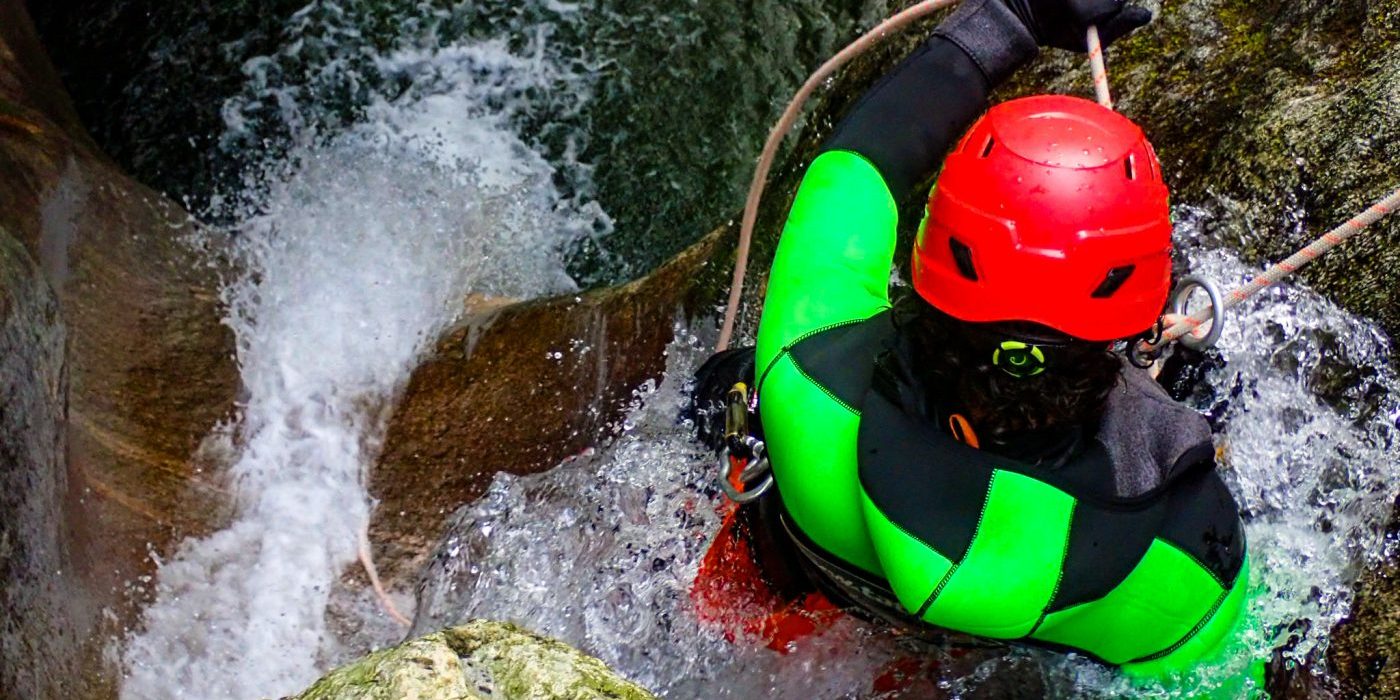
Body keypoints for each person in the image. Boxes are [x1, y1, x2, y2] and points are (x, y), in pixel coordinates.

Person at [690, 0, 1248, 678]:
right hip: (977, 670)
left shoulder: (808, 369)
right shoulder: (1188, 555)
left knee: (727, 383)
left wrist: (1016, 17)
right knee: (1217, 393)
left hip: (791, 614)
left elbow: (857, 164)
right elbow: (1226, 678)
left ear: (931, 263)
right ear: (1132, 321)